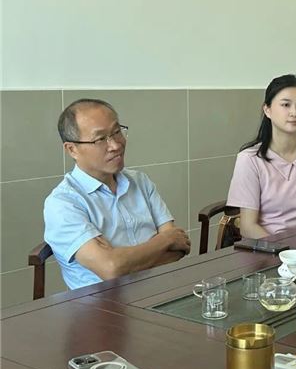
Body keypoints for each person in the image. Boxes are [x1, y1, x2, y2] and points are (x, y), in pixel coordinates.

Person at [44, 99, 191, 290]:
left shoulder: (139, 181)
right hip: (101, 305)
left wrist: (125, 261)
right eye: (100, 139)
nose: (115, 145)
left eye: (116, 132)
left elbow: (179, 249)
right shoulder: (63, 203)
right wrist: (165, 240)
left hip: (158, 292)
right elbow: (111, 268)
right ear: (72, 149)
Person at [226, 74, 296, 238]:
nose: (294, 112)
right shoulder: (249, 159)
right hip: (267, 249)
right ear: (267, 110)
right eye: (286, 105)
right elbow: (248, 227)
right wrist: (284, 250)